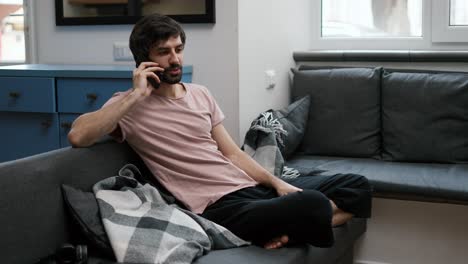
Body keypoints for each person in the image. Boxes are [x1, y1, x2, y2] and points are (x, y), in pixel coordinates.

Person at [68, 14, 372, 250]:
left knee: (356, 185)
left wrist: (277, 183)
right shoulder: (127, 106)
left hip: (249, 187)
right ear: (143, 60)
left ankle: (289, 234)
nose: (175, 60)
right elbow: (78, 135)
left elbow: (232, 153)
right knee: (314, 203)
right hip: (218, 206)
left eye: (179, 49)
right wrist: (136, 95)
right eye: (164, 52)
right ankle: (295, 225)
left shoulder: (200, 94)